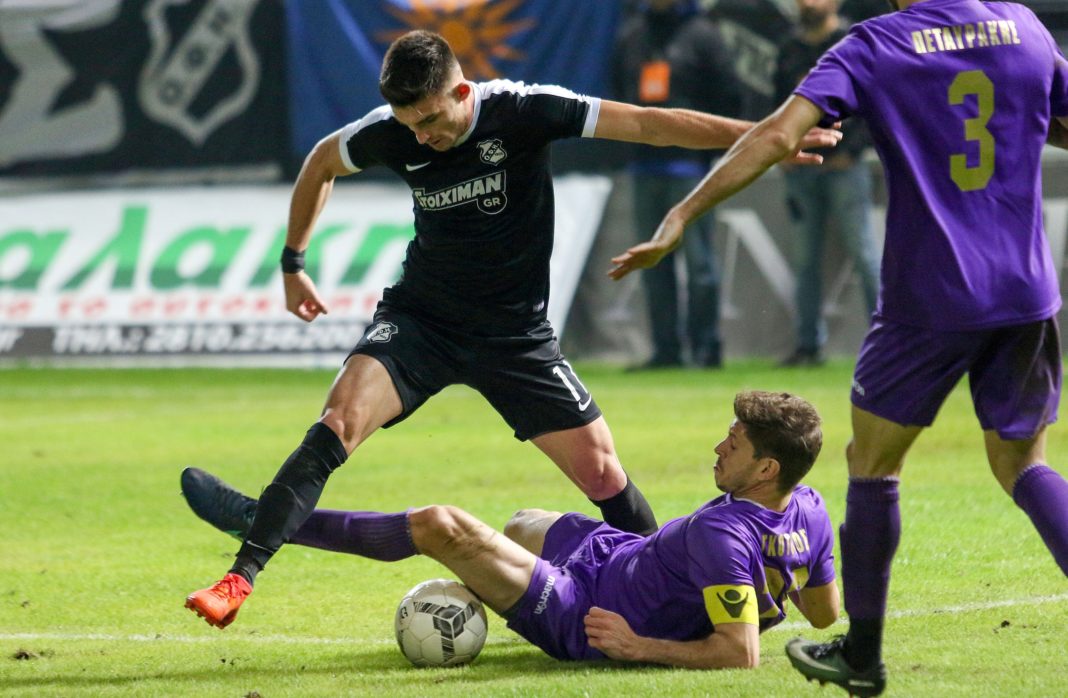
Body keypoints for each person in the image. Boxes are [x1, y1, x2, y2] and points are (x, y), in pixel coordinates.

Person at [183, 29, 841, 630]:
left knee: (602, 473)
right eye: (409, 125)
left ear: (461, 91)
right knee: (338, 421)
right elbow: (321, 163)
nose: (421, 137)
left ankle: (674, 599)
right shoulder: (391, 131)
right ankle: (240, 576)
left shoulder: (525, 110)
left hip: (515, 337)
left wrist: (769, 137)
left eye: (431, 120)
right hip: (421, 322)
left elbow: (650, 124)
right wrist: (293, 262)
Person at [609, 1, 1068, 695]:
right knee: (1023, 465)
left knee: (873, 466)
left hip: (930, 296)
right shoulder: (1024, 27)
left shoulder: (877, 44)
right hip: (1027, 291)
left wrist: (682, 213)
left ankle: (863, 655)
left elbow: (776, 135)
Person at [181, 391, 840, 668]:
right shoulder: (808, 508)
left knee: (443, 526)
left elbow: (739, 652)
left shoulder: (725, 537)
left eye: (734, 444)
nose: (719, 448)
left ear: (766, 469)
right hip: (619, 554)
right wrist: (773, 581)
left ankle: (268, 522)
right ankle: (491, 584)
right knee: (523, 522)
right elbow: (821, 613)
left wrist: (639, 645)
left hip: (588, 609)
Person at [612, 0, 743, 369]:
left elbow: (729, 95)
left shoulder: (703, 35)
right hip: (643, 168)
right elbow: (618, 92)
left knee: (700, 265)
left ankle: (706, 348)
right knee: (651, 265)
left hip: (690, 168)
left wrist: (712, 148)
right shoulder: (633, 35)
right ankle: (666, 350)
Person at [773, 0, 880, 366]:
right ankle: (808, 345)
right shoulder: (789, 48)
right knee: (805, 261)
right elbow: (777, 105)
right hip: (802, 168)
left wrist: (855, 150)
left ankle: (884, 343)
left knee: (864, 255)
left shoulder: (853, 42)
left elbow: (874, 102)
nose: (808, 3)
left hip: (844, 168)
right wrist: (780, 151)